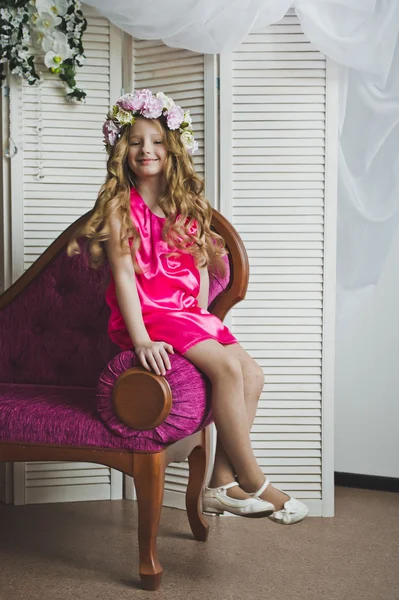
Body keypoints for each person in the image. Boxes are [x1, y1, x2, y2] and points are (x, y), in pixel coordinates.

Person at [68, 89, 308, 524]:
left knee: (253, 373)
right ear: (123, 150)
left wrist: (200, 314)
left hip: (183, 313)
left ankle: (219, 484)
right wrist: (140, 338)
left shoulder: (185, 207)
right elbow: (124, 275)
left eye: (157, 141)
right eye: (137, 141)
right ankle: (254, 479)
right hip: (151, 314)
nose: (147, 150)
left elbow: (195, 270)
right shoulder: (122, 208)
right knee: (227, 368)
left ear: (172, 147)